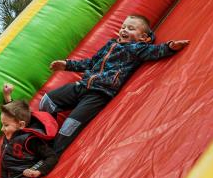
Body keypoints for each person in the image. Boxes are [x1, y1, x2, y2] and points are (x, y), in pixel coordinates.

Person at [40, 15, 188, 158]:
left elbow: (155, 51)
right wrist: (67, 65)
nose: (124, 30)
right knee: (47, 100)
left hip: (99, 94)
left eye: (130, 28)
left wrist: (170, 46)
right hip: (83, 85)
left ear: (143, 37)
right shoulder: (110, 44)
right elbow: (91, 62)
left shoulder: (137, 49)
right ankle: (44, 134)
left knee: (69, 125)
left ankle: (50, 157)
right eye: (123, 27)